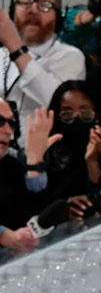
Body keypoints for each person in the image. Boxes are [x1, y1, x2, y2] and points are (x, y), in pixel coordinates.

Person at [0, 0, 86, 128]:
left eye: (44, 5)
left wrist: (15, 47)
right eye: (25, 2)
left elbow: (59, 103)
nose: (32, 10)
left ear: (58, 16)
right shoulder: (2, 55)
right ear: (13, 11)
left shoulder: (71, 57)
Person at [37, 79, 101, 217]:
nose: (76, 118)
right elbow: (36, 202)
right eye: (67, 114)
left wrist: (92, 161)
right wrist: (64, 207)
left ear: (97, 115)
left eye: (85, 112)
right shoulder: (46, 153)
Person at [0, 97, 53, 257]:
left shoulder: (13, 167)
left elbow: (36, 220)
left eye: (11, 123)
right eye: (0, 121)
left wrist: (34, 162)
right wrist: (4, 235)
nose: (8, 131)